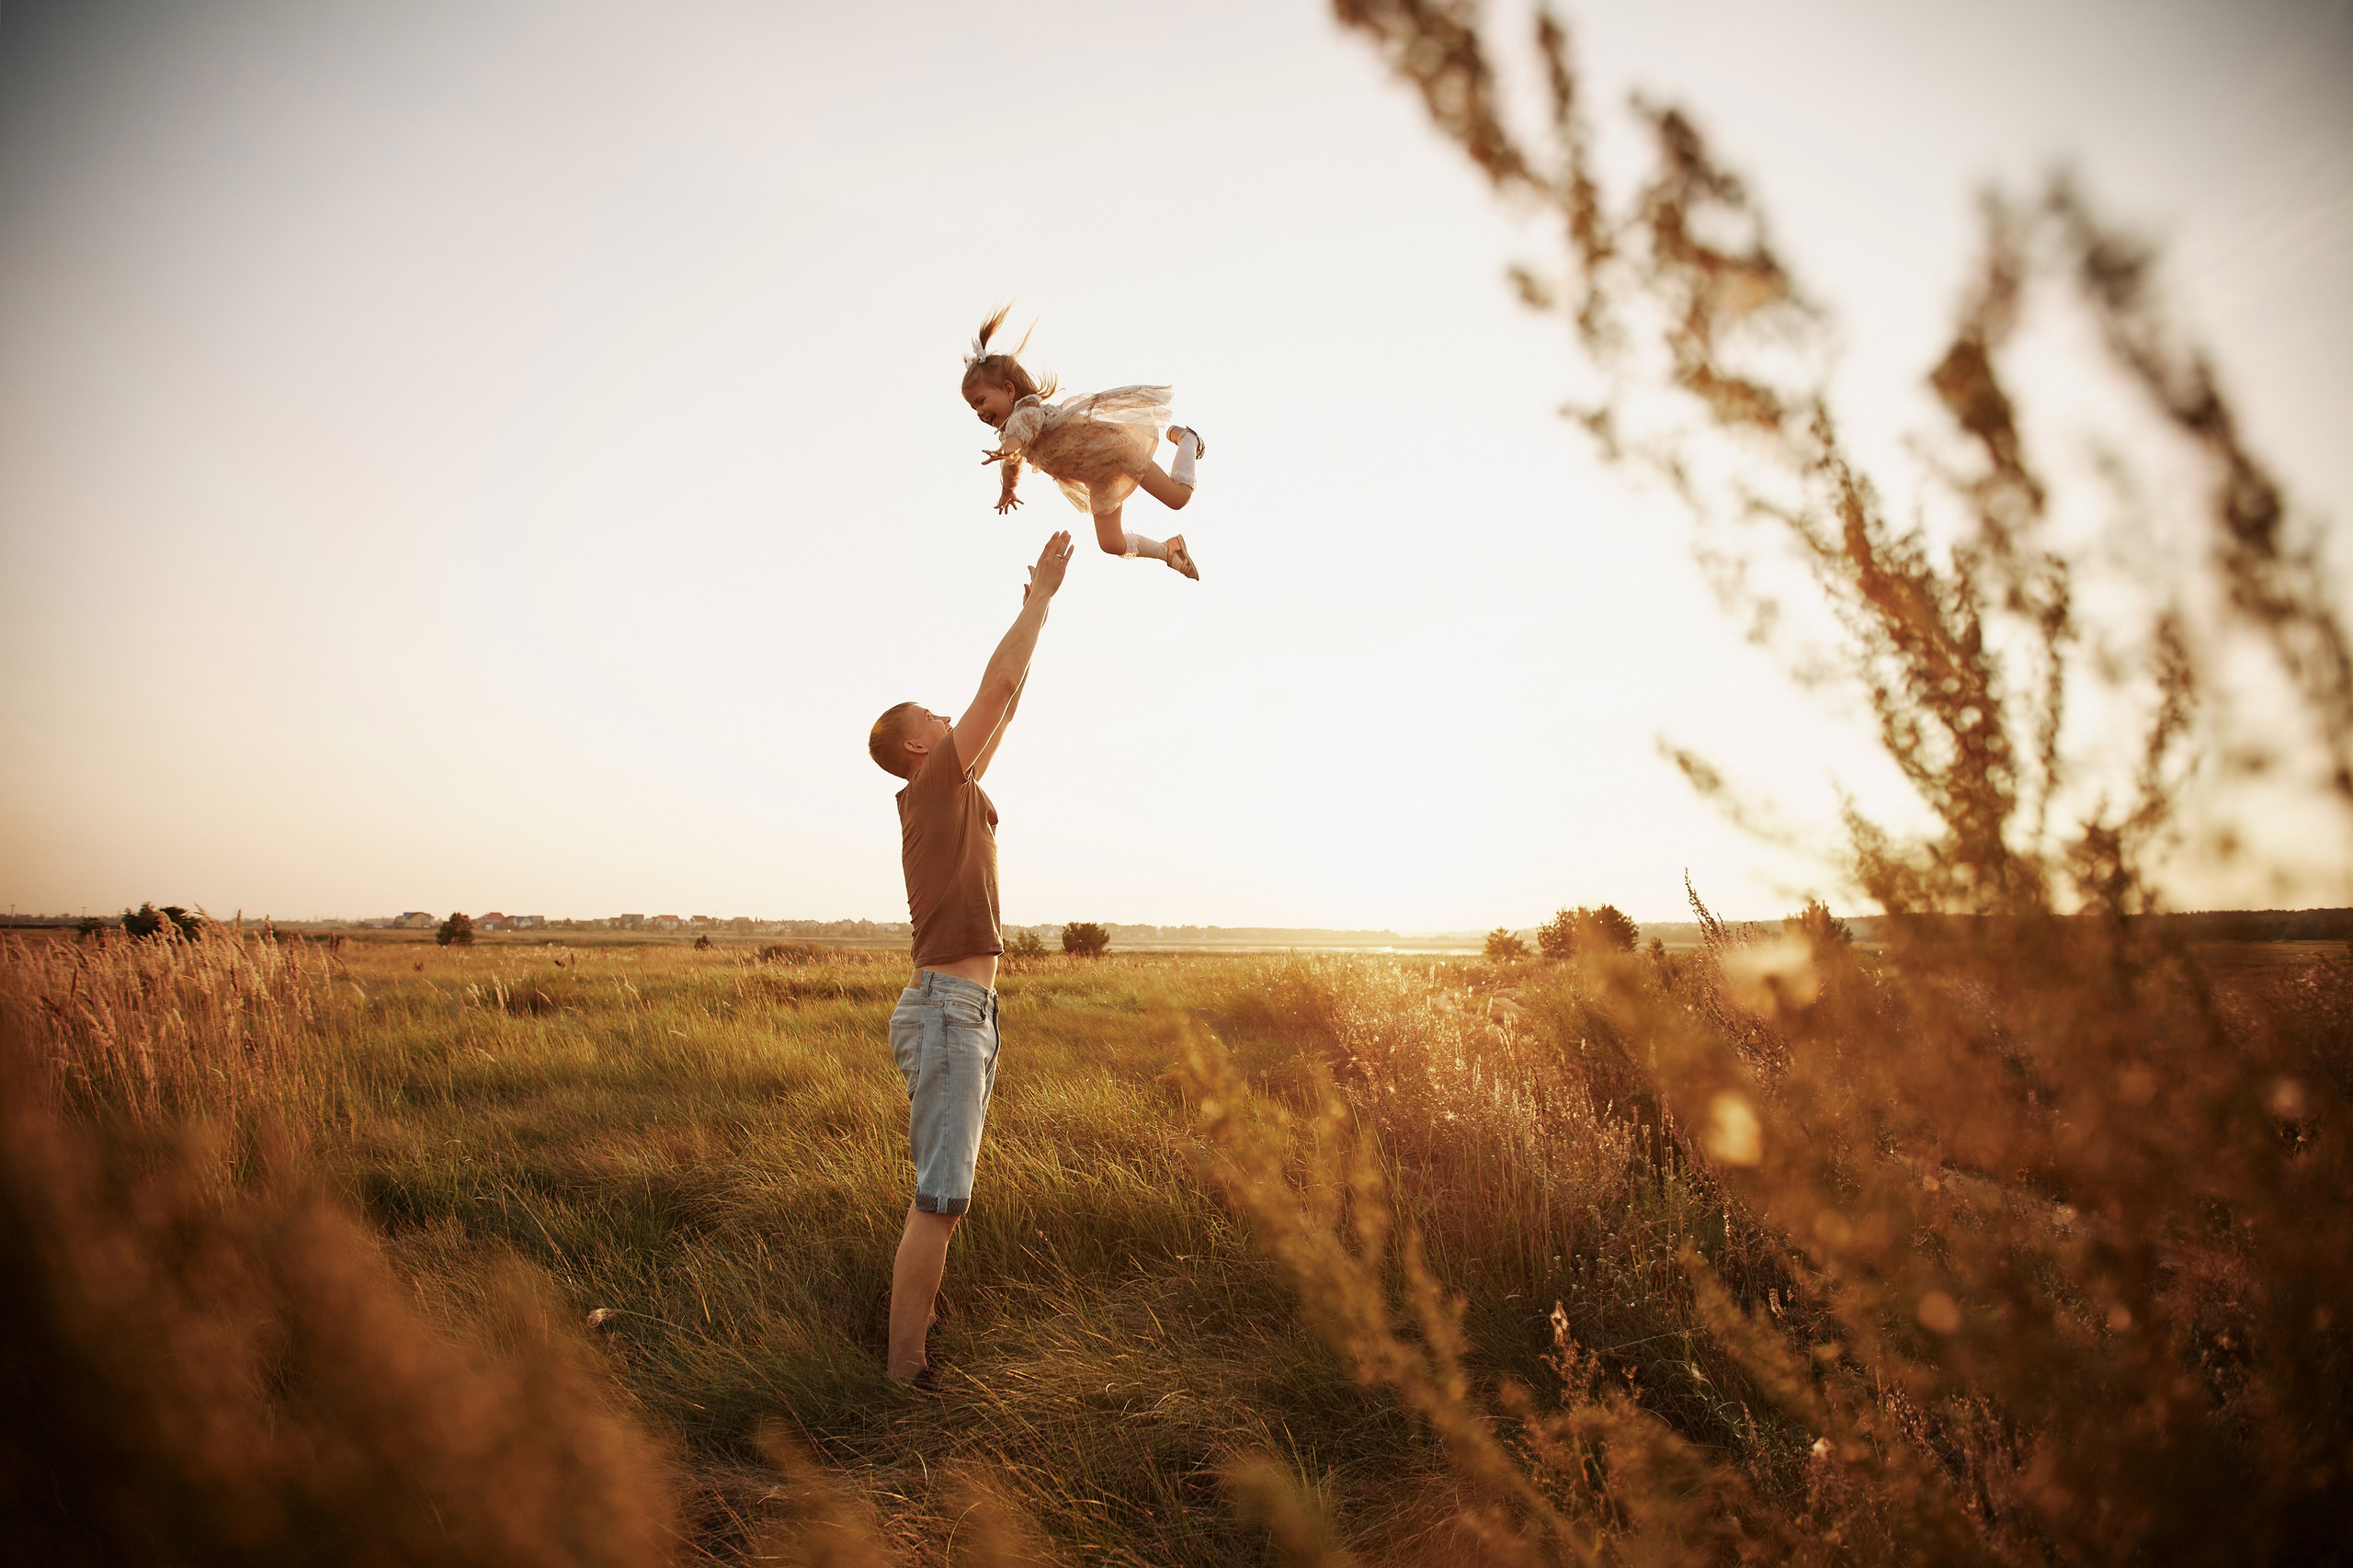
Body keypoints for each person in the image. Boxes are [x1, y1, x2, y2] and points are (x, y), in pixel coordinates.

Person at [864, 528, 1074, 1386]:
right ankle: (903, 1377)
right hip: (950, 1013)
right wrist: (1037, 602)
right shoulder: (930, 786)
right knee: (939, 1204)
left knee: (944, 1200)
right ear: (919, 749)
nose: (953, 722)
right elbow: (994, 689)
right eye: (938, 722)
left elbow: (1006, 697)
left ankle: (912, 1351)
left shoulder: (953, 791)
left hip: (964, 1013)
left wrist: (1041, 615)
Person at [960, 306, 1205, 581]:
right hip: (1098, 478)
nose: (980, 413)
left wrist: (1008, 448)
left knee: (1178, 497)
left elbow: (1021, 434)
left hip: (1114, 452)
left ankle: (1187, 438)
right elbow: (1012, 465)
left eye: (981, 401)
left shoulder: (1027, 412)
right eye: (973, 408)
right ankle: (1169, 551)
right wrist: (1007, 490)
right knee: (1110, 544)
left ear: (1008, 389)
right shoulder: (1010, 434)